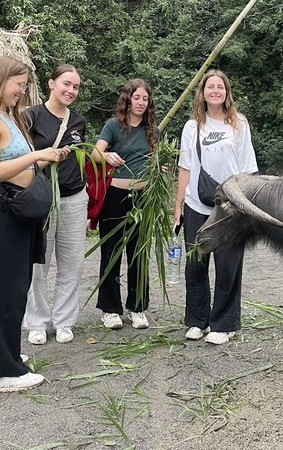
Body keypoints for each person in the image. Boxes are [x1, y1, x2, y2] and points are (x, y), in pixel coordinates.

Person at [0, 56, 66, 393]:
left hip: (19, 213)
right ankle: (2, 373)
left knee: (12, 288)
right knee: (4, 289)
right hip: (3, 210)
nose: (22, 90)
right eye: (18, 84)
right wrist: (37, 155)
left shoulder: (9, 117)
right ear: (0, 80)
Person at [174, 69, 258, 345]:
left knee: (228, 263)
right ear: (203, 92)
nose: (215, 91)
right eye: (210, 86)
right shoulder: (192, 127)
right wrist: (178, 208)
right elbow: (185, 168)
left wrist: (247, 206)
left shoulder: (239, 124)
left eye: (220, 87)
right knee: (195, 264)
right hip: (197, 204)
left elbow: (248, 169)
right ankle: (197, 320)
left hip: (231, 206)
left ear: (226, 92)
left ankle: (224, 322)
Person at [22, 64, 88, 346]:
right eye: (66, 84)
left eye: (75, 87)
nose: (70, 91)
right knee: (39, 263)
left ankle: (64, 321)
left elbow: (83, 157)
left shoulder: (79, 122)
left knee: (72, 262)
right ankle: (36, 321)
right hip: (42, 198)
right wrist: (45, 156)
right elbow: (21, 158)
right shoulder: (31, 117)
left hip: (74, 197)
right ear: (51, 83)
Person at [93, 79, 160, 330]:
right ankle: (110, 309)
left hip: (144, 198)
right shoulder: (113, 125)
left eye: (145, 99)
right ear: (127, 99)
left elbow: (154, 161)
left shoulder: (152, 130)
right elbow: (94, 153)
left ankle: (138, 307)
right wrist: (106, 155)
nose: (141, 103)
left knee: (139, 252)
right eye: (137, 98)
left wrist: (160, 167)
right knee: (111, 251)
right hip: (115, 197)